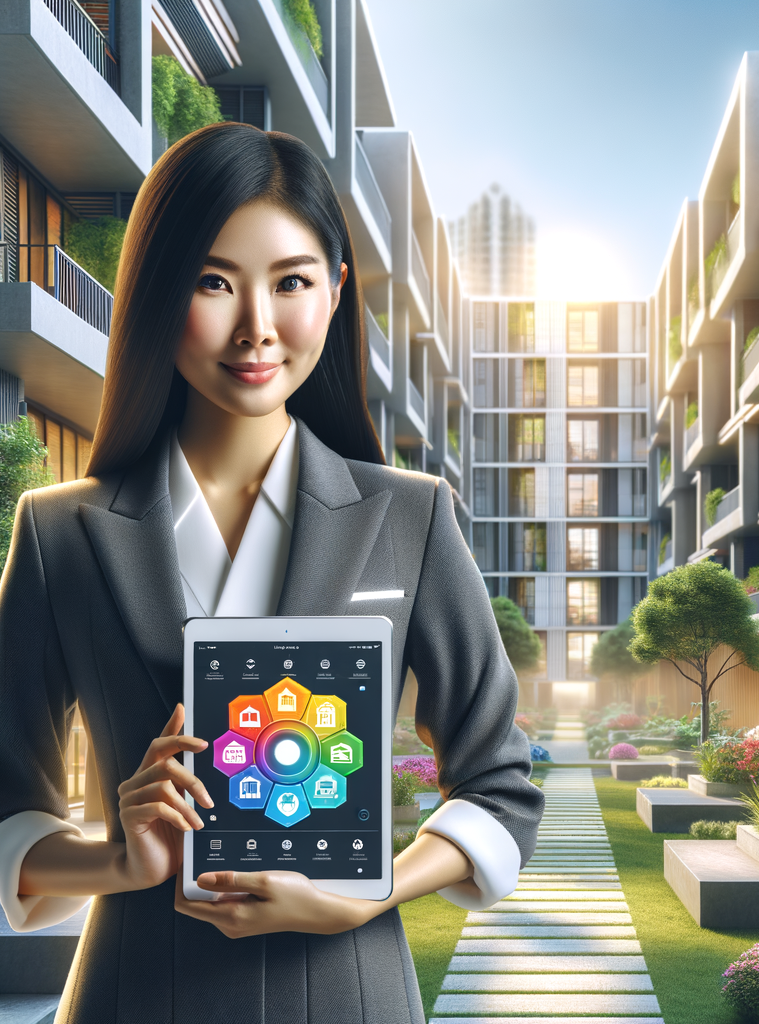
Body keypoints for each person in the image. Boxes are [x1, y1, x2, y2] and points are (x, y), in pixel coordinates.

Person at [0, 122, 542, 1023]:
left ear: (333, 293)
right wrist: (115, 859)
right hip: (135, 991)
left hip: (351, 989)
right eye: (213, 282)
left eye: (290, 282)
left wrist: (371, 890)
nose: (256, 327)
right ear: (157, 293)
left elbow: (499, 782)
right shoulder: (60, 533)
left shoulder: (412, 517)